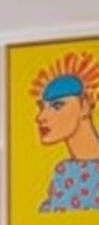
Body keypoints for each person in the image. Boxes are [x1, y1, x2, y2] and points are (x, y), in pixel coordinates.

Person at [32, 54, 99, 214]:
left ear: (85, 106)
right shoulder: (63, 171)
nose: (40, 117)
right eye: (42, 107)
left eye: (57, 106)